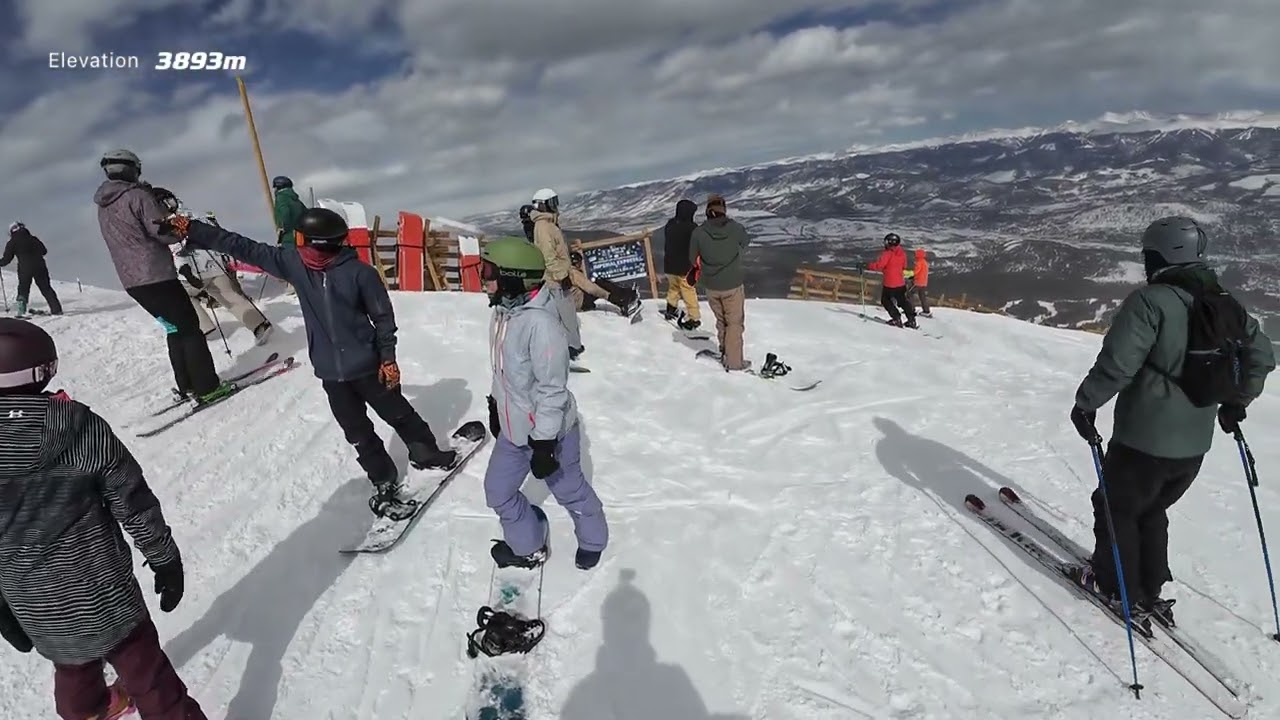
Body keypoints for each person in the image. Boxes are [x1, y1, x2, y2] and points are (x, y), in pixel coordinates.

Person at [157, 208, 459, 518]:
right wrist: (193, 229)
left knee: (398, 413)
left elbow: (383, 319)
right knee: (356, 431)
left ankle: (426, 453)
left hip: (368, 365)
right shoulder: (296, 265)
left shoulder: (360, 274)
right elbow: (241, 246)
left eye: (301, 240)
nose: (297, 246)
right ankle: (383, 478)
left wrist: (388, 360)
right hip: (331, 372)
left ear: (315, 242)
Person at [1069, 216, 1275, 629]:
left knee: (1117, 508)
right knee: (1152, 508)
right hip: (1194, 445)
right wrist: (1237, 402)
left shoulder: (1150, 302)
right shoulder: (1225, 303)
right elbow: (1262, 357)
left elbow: (1118, 364)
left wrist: (1085, 404)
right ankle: (1150, 588)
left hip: (1142, 440)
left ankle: (1115, 586)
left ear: (1159, 256)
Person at [0, 318, 206, 720]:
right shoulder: (76, 426)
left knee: (72, 666)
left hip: (33, 602)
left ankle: (89, 712)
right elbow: (131, 499)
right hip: (102, 592)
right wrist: (164, 558)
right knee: (146, 671)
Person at [479, 237, 608, 571]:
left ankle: (593, 539)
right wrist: (496, 405)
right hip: (514, 428)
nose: (484, 278)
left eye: (489, 271)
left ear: (512, 277)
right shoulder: (503, 313)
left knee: (569, 489)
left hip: (550, 434)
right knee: (498, 491)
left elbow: (553, 390)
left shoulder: (541, 325)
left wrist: (544, 443)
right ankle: (528, 546)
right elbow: (502, 369)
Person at [93, 149, 230, 405]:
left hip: (132, 281)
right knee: (189, 327)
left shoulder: (103, 206)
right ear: (132, 169)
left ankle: (187, 385)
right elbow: (162, 232)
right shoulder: (138, 196)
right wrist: (181, 227)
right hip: (157, 275)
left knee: (174, 328)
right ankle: (207, 387)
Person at [169, 227, 273, 346]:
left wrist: (185, 271)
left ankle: (204, 327)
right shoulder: (199, 218)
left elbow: (177, 251)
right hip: (215, 266)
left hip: (194, 272)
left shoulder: (171, 224)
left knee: (181, 295)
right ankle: (259, 325)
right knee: (230, 295)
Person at [688, 193, 751, 371]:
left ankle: (725, 351)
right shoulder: (736, 228)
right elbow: (746, 243)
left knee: (722, 321)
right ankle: (734, 362)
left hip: (711, 286)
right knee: (734, 323)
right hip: (733, 283)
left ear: (708, 211)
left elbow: (693, 259)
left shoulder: (698, 233)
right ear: (724, 209)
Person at [528, 188, 584, 359]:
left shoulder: (549, 224)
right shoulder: (543, 227)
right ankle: (567, 349)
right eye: (552, 203)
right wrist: (562, 276)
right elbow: (548, 255)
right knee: (563, 315)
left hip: (558, 277)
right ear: (543, 205)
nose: (555, 206)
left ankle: (571, 346)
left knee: (566, 314)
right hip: (555, 280)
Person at [1, 222, 62, 316]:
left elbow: (6, 259)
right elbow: (44, 251)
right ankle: (56, 310)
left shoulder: (12, 242)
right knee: (46, 288)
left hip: (25, 268)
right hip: (40, 266)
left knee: (23, 288)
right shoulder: (33, 239)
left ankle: (21, 311)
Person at [661, 199, 701, 330]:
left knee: (674, 288)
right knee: (688, 290)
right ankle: (693, 317)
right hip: (685, 267)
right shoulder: (692, 228)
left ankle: (670, 308)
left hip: (669, 265)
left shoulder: (670, 224)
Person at [866, 232, 916, 329]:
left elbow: (879, 265)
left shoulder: (887, 254)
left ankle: (896, 318)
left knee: (886, 300)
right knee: (903, 301)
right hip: (900, 283)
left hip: (889, 283)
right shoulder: (902, 254)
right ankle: (911, 320)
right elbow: (904, 266)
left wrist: (867, 265)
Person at [568, 250, 640, 316]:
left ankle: (625, 296)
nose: (580, 264)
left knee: (601, 284)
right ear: (576, 262)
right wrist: (607, 295)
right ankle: (626, 299)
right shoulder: (574, 273)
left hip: (576, 302)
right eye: (580, 262)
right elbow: (591, 289)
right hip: (579, 302)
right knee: (601, 283)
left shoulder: (570, 272)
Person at [271, 176, 306, 247]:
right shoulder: (297, 201)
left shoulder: (281, 197)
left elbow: (284, 212)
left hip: (288, 238)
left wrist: (282, 228)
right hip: (301, 237)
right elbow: (306, 214)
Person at [906, 247, 931, 317]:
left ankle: (911, 309)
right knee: (922, 297)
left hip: (917, 282)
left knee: (909, 294)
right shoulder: (925, 263)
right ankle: (926, 311)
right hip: (923, 283)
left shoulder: (919, 262)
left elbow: (915, 272)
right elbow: (921, 273)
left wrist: (906, 273)